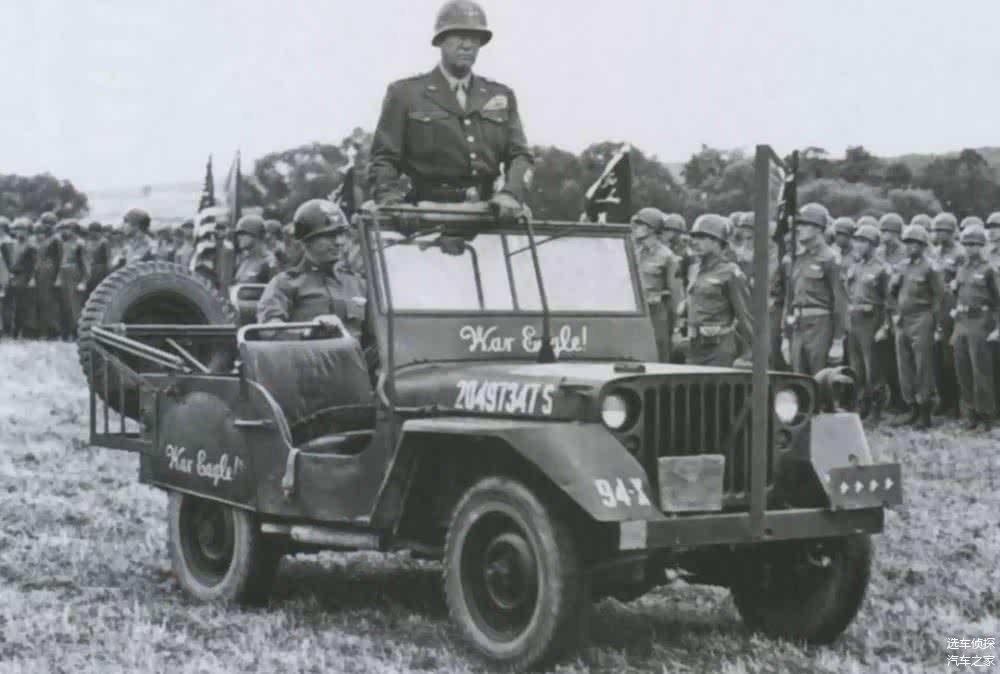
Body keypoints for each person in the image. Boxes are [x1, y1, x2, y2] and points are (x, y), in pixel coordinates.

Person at [368, 0, 533, 225]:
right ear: (440, 41)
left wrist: (511, 194)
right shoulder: (405, 94)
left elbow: (521, 155)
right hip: (426, 217)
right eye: (459, 36)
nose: (467, 45)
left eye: (474, 38)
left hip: (488, 216)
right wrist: (392, 203)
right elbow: (384, 158)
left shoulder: (500, 95)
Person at [257, 200, 368, 341]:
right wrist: (307, 331)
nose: (339, 242)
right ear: (307, 241)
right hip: (308, 354)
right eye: (329, 235)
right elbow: (268, 329)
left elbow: (380, 335)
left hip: (354, 355)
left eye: (341, 234)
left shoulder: (359, 283)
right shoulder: (285, 283)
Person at [890, 225, 944, 430]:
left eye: (914, 243)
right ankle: (911, 406)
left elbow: (939, 298)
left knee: (923, 366)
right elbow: (892, 293)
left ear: (922, 245)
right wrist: (895, 312)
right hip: (903, 319)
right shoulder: (901, 267)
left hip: (922, 318)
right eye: (907, 243)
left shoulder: (931, 268)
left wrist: (937, 325)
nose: (909, 246)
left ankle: (925, 412)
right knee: (904, 365)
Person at [783, 203, 847, 375]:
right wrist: (785, 336)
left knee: (820, 377)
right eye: (798, 224)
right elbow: (790, 300)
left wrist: (838, 341)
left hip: (821, 325)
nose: (799, 228)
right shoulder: (797, 258)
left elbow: (840, 303)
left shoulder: (830, 259)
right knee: (798, 378)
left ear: (818, 228)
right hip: (797, 326)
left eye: (804, 224)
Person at [683, 214, 753, 367]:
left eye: (702, 237)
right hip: (693, 347)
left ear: (718, 241)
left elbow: (745, 316)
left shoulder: (730, 272)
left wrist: (750, 353)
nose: (694, 242)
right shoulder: (693, 269)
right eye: (694, 237)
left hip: (719, 347)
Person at [950, 225, 1000, 430]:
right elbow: (958, 294)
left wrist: (998, 328)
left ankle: (986, 415)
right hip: (962, 321)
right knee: (963, 370)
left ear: (982, 246)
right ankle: (970, 414)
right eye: (967, 244)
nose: (970, 248)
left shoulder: (989, 270)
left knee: (981, 372)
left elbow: (998, 301)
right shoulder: (962, 268)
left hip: (981, 321)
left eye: (974, 244)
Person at [846, 224, 891, 422]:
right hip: (854, 320)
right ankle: (861, 405)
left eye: (863, 241)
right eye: (857, 241)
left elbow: (889, 301)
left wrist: (885, 326)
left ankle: (876, 409)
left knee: (873, 367)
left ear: (873, 245)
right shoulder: (855, 267)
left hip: (872, 320)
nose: (858, 245)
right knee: (856, 367)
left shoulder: (882, 269)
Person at [631, 208, 681, 362]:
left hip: (655, 312)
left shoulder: (667, 256)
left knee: (658, 352)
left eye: (640, 224)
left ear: (652, 228)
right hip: (633, 311)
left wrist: (676, 327)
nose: (635, 228)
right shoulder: (633, 251)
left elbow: (675, 295)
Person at [930, 212, 964, 418]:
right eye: (936, 230)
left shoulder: (960, 253)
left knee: (950, 358)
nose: (938, 234)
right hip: (935, 308)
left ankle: (956, 403)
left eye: (942, 230)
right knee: (936, 358)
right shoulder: (934, 252)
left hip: (952, 309)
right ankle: (943, 400)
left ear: (951, 232)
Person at [54, 220, 88, 339]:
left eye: (67, 229)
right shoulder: (63, 243)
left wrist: (83, 281)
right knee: (65, 305)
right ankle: (66, 332)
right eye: (63, 229)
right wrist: (58, 277)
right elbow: (60, 261)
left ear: (73, 230)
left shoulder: (80, 243)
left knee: (74, 305)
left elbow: (85, 264)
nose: (64, 232)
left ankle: (76, 332)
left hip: (74, 273)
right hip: (64, 273)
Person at [6, 217, 37, 338]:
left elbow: (34, 264)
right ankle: (10, 329)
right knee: (10, 304)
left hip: (24, 276)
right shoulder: (12, 244)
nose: (20, 232)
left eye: (23, 230)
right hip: (12, 276)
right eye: (17, 229)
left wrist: (32, 278)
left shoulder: (30, 246)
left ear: (28, 231)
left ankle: (20, 330)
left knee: (21, 304)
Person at [34, 216, 63, 339]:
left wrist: (58, 277)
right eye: (44, 223)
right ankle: (43, 330)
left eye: (48, 223)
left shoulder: (56, 239)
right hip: (41, 272)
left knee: (50, 302)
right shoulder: (43, 239)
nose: (46, 226)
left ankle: (54, 331)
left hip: (51, 272)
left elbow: (61, 259)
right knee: (42, 301)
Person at [232, 214, 274, 284]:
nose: (239, 237)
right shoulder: (245, 260)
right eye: (238, 234)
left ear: (255, 234)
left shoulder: (269, 261)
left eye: (242, 233)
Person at [83, 221, 111, 296]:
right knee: (88, 291)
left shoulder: (104, 242)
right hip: (89, 269)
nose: (91, 234)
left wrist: (107, 273)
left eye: (94, 231)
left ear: (98, 232)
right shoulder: (88, 241)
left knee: (98, 291)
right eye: (90, 231)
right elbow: (85, 255)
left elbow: (108, 258)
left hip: (100, 269)